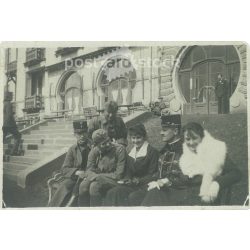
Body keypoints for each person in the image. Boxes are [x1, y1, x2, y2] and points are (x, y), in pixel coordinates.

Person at [142, 120, 241, 206]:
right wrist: (167, 181)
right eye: (188, 139)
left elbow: (236, 174)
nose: (191, 143)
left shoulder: (214, 151)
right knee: (154, 192)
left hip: (202, 196)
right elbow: (184, 179)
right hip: (185, 193)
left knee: (155, 196)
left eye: (194, 138)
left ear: (202, 137)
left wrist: (217, 184)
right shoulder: (187, 155)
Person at [104, 123, 159, 206]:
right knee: (112, 192)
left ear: (144, 137)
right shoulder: (131, 152)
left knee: (133, 196)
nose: (135, 141)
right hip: (133, 185)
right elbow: (128, 172)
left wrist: (138, 181)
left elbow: (153, 174)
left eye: (138, 137)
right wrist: (126, 180)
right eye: (133, 138)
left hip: (146, 186)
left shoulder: (152, 152)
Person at [78, 129, 127, 207]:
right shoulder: (94, 151)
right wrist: (96, 176)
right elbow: (89, 170)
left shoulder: (119, 149)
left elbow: (119, 175)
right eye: (103, 144)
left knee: (94, 186)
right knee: (83, 186)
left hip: (116, 180)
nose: (108, 144)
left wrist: (98, 176)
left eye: (108, 140)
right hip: (99, 177)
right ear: (96, 145)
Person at [48, 120, 91, 207]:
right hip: (75, 177)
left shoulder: (93, 147)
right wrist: (76, 172)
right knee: (65, 186)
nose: (82, 136)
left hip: (90, 177)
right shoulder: (72, 149)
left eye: (84, 133)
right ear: (75, 135)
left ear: (87, 133)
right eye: (79, 134)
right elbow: (65, 168)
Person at [2, 91, 21, 156]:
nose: (12, 97)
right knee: (18, 136)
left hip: (3, 124)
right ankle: (14, 152)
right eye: (11, 96)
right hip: (8, 124)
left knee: (2, 138)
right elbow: (9, 115)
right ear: (8, 97)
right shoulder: (8, 103)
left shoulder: (3, 103)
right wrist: (14, 125)